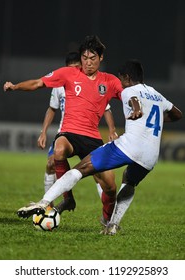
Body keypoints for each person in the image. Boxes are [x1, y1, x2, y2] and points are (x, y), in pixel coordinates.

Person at [16, 59, 182, 235]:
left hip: (129, 146)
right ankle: (113, 225)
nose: (120, 84)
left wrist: (137, 109)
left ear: (126, 77)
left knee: (82, 168)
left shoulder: (129, 91)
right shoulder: (156, 94)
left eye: (121, 79)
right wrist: (154, 120)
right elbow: (177, 114)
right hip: (151, 156)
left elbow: (133, 99)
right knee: (129, 181)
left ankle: (43, 202)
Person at [4, 35, 123, 226]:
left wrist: (137, 108)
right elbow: (38, 83)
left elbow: (127, 95)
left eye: (92, 58)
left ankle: (108, 221)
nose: (87, 62)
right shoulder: (69, 73)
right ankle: (68, 199)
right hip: (69, 133)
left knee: (109, 185)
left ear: (101, 58)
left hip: (92, 138)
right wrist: (15, 86)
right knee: (58, 151)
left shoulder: (109, 81)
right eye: (84, 58)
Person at [39, 53, 118, 211]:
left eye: (77, 67)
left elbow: (107, 109)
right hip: (65, 134)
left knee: (99, 174)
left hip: (85, 135)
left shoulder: (90, 84)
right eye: (71, 68)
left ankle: (108, 211)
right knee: (51, 163)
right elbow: (52, 109)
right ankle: (48, 205)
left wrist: (112, 129)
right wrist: (44, 131)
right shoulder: (59, 86)